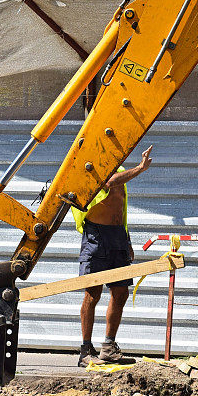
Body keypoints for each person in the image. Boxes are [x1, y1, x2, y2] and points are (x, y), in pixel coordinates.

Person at [73, 145, 153, 367]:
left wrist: (127, 240)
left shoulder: (118, 170)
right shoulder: (92, 169)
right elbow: (108, 183)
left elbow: (121, 211)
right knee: (93, 293)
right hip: (96, 238)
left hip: (117, 237)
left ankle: (108, 348)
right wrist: (140, 168)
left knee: (120, 293)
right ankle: (85, 351)